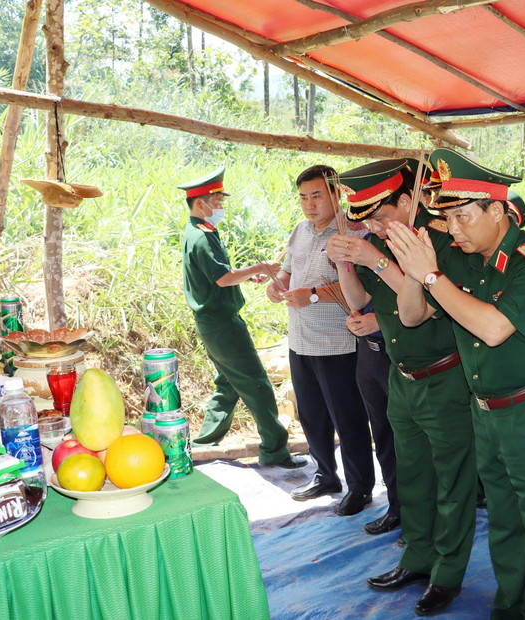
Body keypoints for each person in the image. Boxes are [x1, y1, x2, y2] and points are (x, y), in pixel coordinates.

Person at [388, 148, 525, 619]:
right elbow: (410, 316)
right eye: (447, 219)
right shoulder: (459, 256)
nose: (454, 229)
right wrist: (417, 271)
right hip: (485, 412)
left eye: (463, 217)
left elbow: (493, 329)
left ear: (497, 210)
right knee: (506, 525)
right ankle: (509, 608)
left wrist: (430, 274)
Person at [326, 158, 477, 616]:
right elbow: (360, 301)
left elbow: (422, 307)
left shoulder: (442, 241)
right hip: (402, 377)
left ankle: (447, 576)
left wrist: (375, 256)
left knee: (452, 483)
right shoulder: (378, 239)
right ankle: (416, 558)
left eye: (381, 214)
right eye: (366, 219)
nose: (373, 225)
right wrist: (346, 264)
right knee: (412, 478)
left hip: (445, 377)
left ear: (407, 203)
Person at [268, 165, 375, 517]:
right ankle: (326, 475)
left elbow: (360, 288)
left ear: (336, 195)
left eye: (317, 196)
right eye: (303, 197)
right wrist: (278, 284)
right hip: (300, 340)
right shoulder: (300, 231)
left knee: (348, 418)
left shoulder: (352, 232)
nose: (309, 205)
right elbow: (287, 270)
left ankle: (360, 487)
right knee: (312, 416)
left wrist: (312, 294)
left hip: (337, 343)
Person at [179, 166, 303, 469]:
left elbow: (216, 276)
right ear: (200, 203)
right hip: (222, 323)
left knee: (229, 384)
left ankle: (203, 445)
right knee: (257, 382)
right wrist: (259, 268)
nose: (220, 207)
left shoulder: (200, 231)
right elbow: (222, 278)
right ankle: (275, 450)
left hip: (212, 322)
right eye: (217, 201)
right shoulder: (201, 237)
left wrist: (246, 277)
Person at [346, 301, 400, 535]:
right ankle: (397, 508)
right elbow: (356, 299)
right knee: (383, 437)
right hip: (369, 350)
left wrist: (384, 318)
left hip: (402, 350)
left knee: (412, 439)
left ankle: (426, 519)